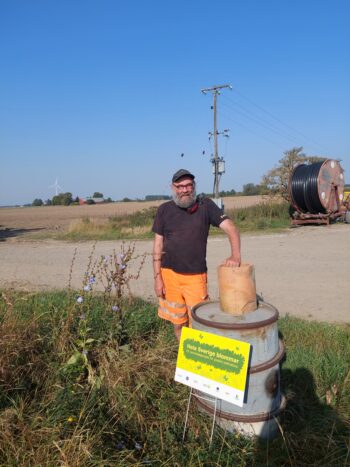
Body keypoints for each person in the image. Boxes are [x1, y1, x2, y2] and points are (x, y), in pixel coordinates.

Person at [152, 169, 241, 340]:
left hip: (195, 277)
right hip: (169, 275)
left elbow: (231, 228)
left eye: (188, 185)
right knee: (178, 323)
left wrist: (235, 256)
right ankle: (185, 358)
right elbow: (157, 244)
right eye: (180, 186)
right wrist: (157, 277)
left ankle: (198, 360)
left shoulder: (205, 206)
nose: (184, 190)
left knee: (199, 324)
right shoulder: (164, 210)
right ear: (173, 187)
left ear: (194, 186)